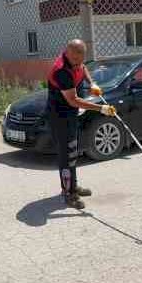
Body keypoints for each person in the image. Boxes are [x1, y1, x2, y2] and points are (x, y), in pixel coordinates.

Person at [47, 39, 117, 209]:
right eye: (76, 58)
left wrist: (91, 83)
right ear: (68, 52)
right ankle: (68, 193)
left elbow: (83, 68)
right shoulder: (61, 70)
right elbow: (73, 100)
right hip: (60, 116)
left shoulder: (76, 60)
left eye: (82, 57)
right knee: (66, 155)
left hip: (70, 114)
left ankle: (73, 186)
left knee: (73, 152)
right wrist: (101, 109)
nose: (79, 61)